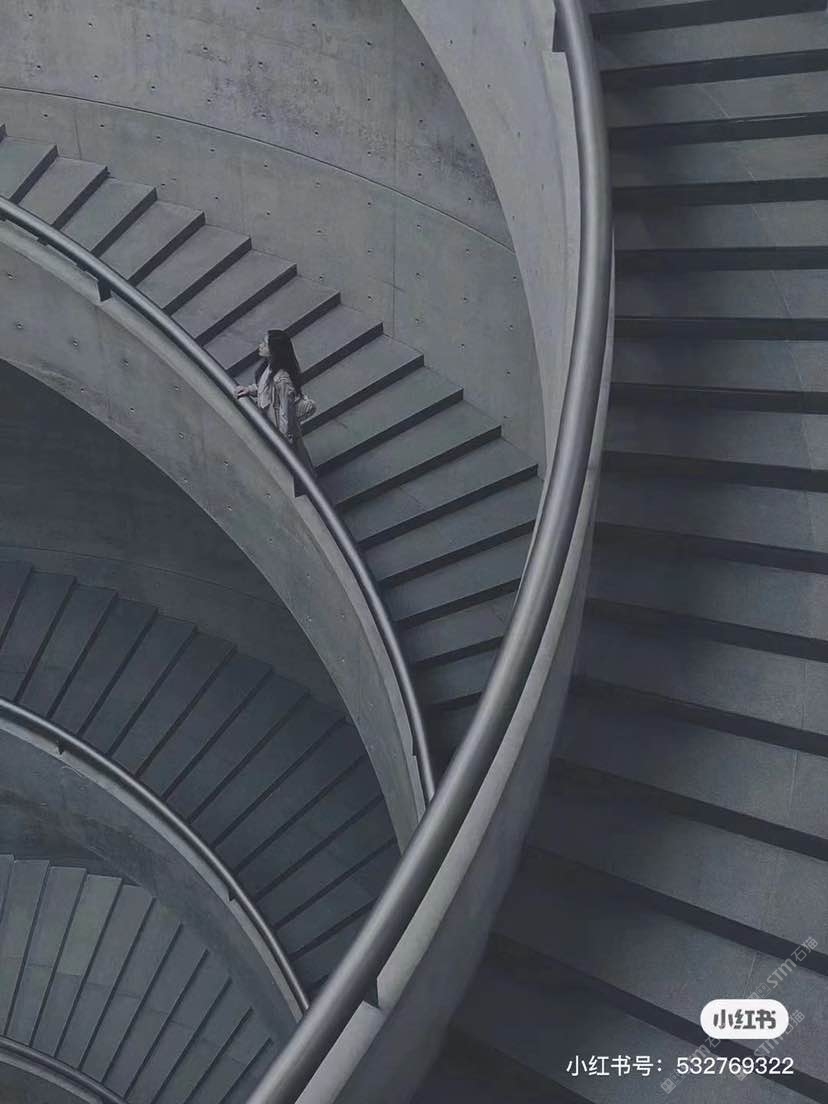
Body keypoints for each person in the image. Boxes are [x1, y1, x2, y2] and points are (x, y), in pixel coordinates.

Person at [235, 329, 316, 475]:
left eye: (265, 344)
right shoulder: (269, 368)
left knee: (294, 466)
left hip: (278, 429)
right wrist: (249, 390)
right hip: (270, 424)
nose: (260, 346)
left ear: (274, 350)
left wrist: (283, 440)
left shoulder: (282, 380)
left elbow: (286, 412)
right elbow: (264, 389)